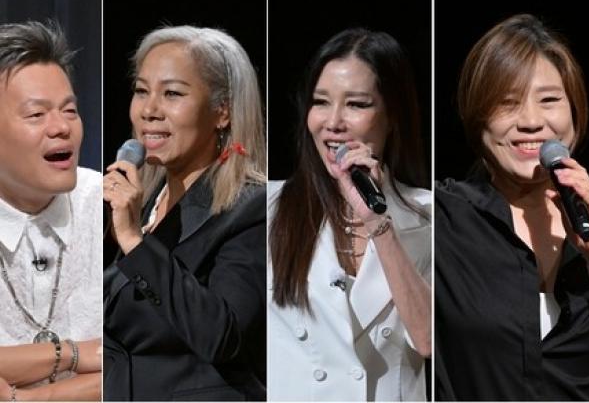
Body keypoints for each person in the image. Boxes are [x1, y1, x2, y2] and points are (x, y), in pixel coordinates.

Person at [435, 14, 589, 400]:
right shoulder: (441, 219)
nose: (531, 121)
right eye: (507, 103)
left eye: (549, 100)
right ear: (478, 117)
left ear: (575, 110)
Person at [102, 25, 267, 401]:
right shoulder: (143, 204)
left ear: (222, 112)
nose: (149, 110)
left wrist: (134, 241)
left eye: (172, 93)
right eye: (141, 91)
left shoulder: (251, 208)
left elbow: (222, 336)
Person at [268, 28, 431, 401]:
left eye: (356, 104)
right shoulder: (270, 207)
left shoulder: (430, 214)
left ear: (393, 115)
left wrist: (377, 222)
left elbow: (428, 340)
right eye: (320, 102)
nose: (333, 122)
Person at [0, 21, 102, 400]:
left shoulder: (110, 207)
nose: (61, 127)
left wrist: (26, 398)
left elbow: (144, 366)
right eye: (36, 115)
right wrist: (77, 354)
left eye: (70, 110)